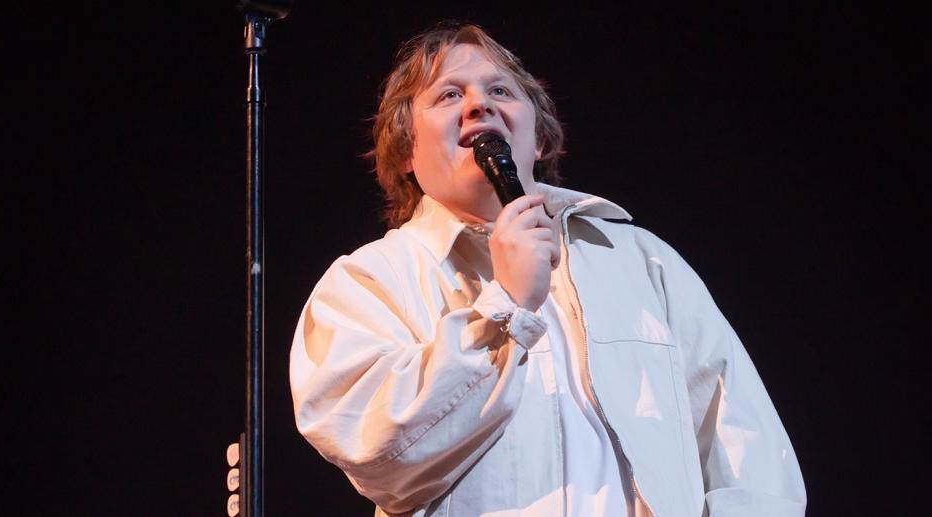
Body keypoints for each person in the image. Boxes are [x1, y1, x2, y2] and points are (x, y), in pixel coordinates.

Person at [289, 23, 806, 517]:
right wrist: (507, 306)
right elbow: (378, 453)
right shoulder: (369, 281)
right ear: (405, 149)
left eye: (500, 91)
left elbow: (747, 454)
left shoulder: (643, 262)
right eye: (449, 95)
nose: (479, 104)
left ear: (537, 140)